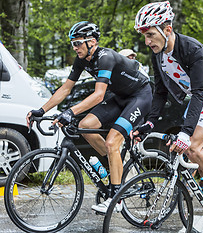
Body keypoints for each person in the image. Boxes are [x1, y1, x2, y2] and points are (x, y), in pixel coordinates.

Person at [26, 21, 152, 214]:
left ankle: (116, 199)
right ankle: (115, 167)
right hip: (119, 97)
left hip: (140, 96)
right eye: (72, 44)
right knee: (86, 125)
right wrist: (42, 110)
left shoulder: (106, 57)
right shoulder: (82, 59)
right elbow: (66, 88)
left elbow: (99, 95)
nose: (75, 47)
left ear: (91, 42)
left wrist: (70, 112)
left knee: (112, 142)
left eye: (78, 43)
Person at [133, 1, 203, 220]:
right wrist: (149, 123)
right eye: (144, 36)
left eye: (151, 34)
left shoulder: (192, 48)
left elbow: (199, 91)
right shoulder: (158, 55)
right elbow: (160, 92)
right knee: (199, 164)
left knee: (191, 147)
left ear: (167, 30)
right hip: (200, 104)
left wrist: (185, 131)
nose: (147, 41)